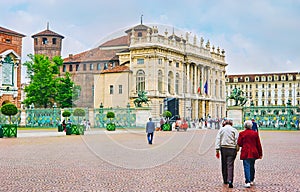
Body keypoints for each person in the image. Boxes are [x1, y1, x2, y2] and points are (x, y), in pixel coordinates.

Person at [238, 120, 263, 188]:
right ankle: (252, 179)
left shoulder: (242, 133)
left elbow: (239, 143)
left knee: (246, 166)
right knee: (252, 166)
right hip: (254, 152)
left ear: (245, 126)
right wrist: (260, 153)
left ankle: (248, 181)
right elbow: (258, 144)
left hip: (245, 152)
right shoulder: (255, 133)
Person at [215, 119, 239, 188]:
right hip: (232, 148)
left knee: (224, 164)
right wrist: (237, 148)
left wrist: (217, 149)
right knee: (230, 165)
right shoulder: (234, 130)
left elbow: (218, 139)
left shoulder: (221, 130)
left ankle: (225, 179)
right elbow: (237, 140)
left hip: (224, 148)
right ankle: (230, 180)